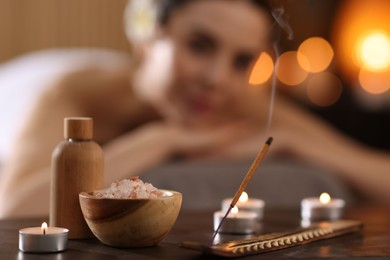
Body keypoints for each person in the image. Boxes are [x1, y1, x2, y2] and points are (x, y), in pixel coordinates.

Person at [0, 0, 389, 218]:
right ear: (149, 38)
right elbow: (15, 207)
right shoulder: (71, 94)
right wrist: (160, 139)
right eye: (200, 45)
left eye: (241, 62)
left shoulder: (237, 100)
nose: (217, 79)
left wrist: (293, 142)